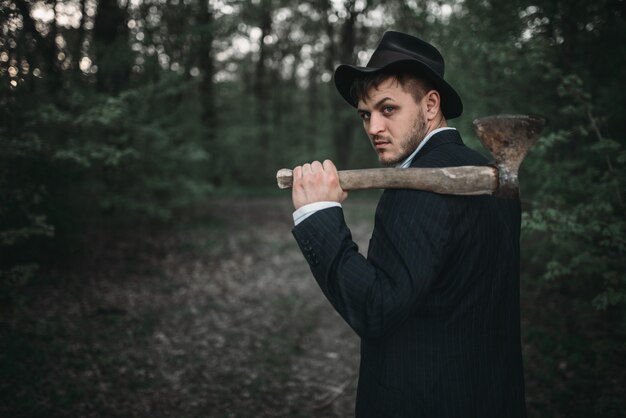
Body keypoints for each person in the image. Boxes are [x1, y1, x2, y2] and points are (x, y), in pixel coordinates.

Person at [290, 31, 526, 417]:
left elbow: (375, 309)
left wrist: (318, 215)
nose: (373, 128)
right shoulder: (493, 174)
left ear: (430, 105)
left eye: (388, 109)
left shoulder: (416, 188)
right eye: (366, 114)